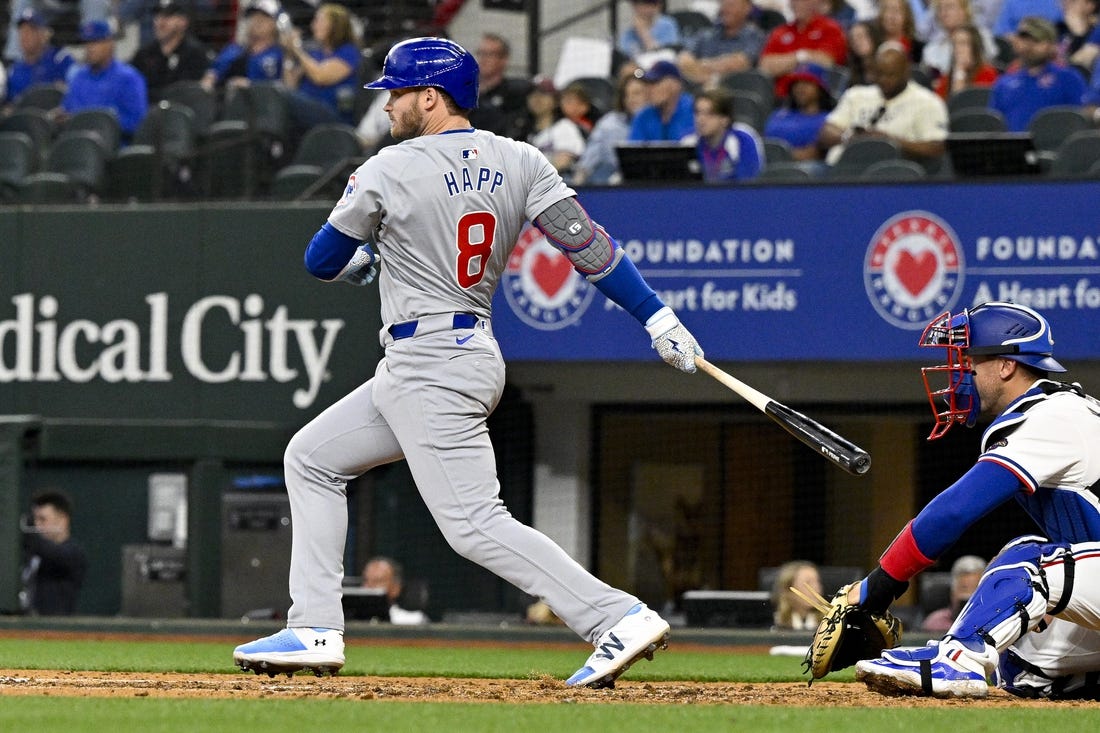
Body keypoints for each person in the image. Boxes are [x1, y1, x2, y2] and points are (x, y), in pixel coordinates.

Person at [231, 37, 701, 688]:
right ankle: (313, 623)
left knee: (476, 524)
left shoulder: (387, 169)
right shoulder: (522, 158)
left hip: (428, 361)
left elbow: (320, 259)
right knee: (311, 458)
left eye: (397, 92)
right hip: (461, 349)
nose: (389, 105)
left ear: (431, 97)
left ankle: (614, 616)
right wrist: (656, 315)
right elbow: (588, 247)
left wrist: (366, 256)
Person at [850, 302, 1100, 699]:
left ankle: (957, 662)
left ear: (1005, 366)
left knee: (1029, 561)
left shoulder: (1053, 414)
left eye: (969, 360)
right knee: (1023, 667)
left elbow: (955, 511)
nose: (959, 372)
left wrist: (879, 586)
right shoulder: (1057, 409)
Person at [818, 42, 948, 166]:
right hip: (840, 169)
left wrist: (888, 141)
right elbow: (826, 133)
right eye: (879, 74)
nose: (883, 80)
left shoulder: (927, 102)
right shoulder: (856, 95)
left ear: (906, 72)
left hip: (893, 174)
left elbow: (936, 148)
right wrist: (850, 137)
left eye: (890, 75)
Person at [989, 16, 1086, 131]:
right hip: (1012, 146)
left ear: (1051, 45)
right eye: (1025, 40)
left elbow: (1081, 120)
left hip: (1053, 146)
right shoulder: (1003, 84)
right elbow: (993, 125)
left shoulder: (1068, 78)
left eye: (1036, 41)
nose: (1029, 46)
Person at [59, 20, 148, 142]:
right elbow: (67, 111)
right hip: (79, 147)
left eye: (95, 42)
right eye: (87, 43)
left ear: (110, 43)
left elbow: (138, 122)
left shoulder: (128, 78)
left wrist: (98, 124)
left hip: (114, 149)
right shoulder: (78, 77)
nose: (90, 48)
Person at [279, 2, 361, 135]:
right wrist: (288, 55)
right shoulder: (314, 54)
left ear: (336, 25)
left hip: (333, 116)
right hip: (307, 114)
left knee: (280, 95)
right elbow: (290, 85)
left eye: (319, 20)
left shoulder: (348, 52)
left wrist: (297, 49)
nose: (313, 25)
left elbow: (320, 77)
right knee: (278, 94)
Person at [571, 71, 649, 185]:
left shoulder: (662, 120)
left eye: (637, 93)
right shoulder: (609, 124)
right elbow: (586, 164)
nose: (631, 99)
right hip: (615, 184)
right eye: (627, 95)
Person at [758, 0, 849, 96]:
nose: (796, 3)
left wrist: (785, 63)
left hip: (819, 99)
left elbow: (825, 61)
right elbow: (765, 66)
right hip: (781, 98)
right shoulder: (780, 32)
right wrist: (801, 57)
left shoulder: (831, 28)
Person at [20, 490, 88, 616]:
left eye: (42, 519)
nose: (37, 525)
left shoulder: (73, 553)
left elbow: (54, 554)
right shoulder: (33, 554)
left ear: (62, 520)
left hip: (56, 629)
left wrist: (27, 533)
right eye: (35, 519)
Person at [129, 0, 212, 103]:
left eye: (168, 17)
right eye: (157, 16)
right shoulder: (144, 54)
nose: (160, 22)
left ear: (183, 21)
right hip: (149, 115)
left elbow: (193, 94)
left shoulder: (195, 54)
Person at [676, 0, 768, 87]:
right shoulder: (706, 34)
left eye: (731, 5)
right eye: (724, 4)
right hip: (700, 89)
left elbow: (740, 63)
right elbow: (684, 60)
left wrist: (702, 65)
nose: (726, 10)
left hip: (735, 91)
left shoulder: (755, 36)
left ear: (747, 8)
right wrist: (709, 79)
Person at [683, 87, 765, 181]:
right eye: (698, 113)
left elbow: (748, 185)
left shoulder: (743, 140)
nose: (701, 120)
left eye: (709, 114)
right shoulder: (688, 144)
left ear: (725, 119)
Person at [201, 0, 283, 92]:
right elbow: (211, 75)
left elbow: (284, 88)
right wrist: (210, 79)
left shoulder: (280, 54)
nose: (256, 21)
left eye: (263, 18)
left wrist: (250, 85)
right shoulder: (233, 50)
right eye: (253, 17)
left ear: (276, 24)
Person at [468, 33, 533, 142]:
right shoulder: (465, 92)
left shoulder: (515, 95)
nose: (483, 59)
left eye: (489, 54)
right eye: (481, 53)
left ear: (504, 60)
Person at [764, 62, 834, 161]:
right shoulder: (778, 114)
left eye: (807, 83)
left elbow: (812, 155)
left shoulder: (829, 120)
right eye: (796, 83)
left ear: (820, 88)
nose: (800, 88)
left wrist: (780, 155)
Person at [4, 10, 75, 106]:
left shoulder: (60, 59)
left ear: (44, 34)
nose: (25, 36)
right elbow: (8, 104)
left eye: (31, 31)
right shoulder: (14, 70)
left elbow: (74, 93)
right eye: (22, 31)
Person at [921, 0, 1000, 77]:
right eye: (940, 9)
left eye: (949, 7)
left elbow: (987, 67)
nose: (943, 13)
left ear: (964, 10)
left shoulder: (982, 36)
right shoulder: (931, 48)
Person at [526, 76, 587, 174]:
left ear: (555, 101)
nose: (537, 98)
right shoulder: (520, 130)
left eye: (543, 93)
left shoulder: (564, 127)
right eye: (532, 94)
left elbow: (563, 162)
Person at [628, 60, 696, 141]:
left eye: (655, 83)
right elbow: (633, 151)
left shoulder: (695, 110)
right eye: (647, 84)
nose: (649, 89)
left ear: (675, 85)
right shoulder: (643, 116)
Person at [920, 554, 986, 632]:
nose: (969, 596)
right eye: (964, 588)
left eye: (975, 589)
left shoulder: (994, 623)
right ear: (953, 592)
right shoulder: (935, 623)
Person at [932, 23, 999, 97]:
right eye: (955, 44)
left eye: (963, 43)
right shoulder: (947, 77)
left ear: (975, 47)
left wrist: (960, 74)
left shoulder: (987, 73)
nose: (957, 49)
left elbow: (962, 102)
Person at [361, 556, 429, 625]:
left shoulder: (414, 621)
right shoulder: (350, 620)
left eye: (377, 581)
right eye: (366, 580)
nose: (369, 586)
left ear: (396, 588)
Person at [617, 0, 682, 61]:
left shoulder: (667, 24)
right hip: (639, 70)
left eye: (653, 4)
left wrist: (643, 32)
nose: (648, 9)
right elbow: (625, 60)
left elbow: (668, 54)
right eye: (643, 4)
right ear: (634, 6)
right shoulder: (628, 32)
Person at [771, 560, 824, 631]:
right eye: (808, 582)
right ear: (789, 590)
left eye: (817, 582)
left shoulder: (830, 622)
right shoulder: (773, 622)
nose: (816, 587)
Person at [847, 19, 885, 86]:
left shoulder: (887, 62)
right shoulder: (852, 71)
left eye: (860, 36)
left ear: (873, 37)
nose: (857, 42)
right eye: (852, 39)